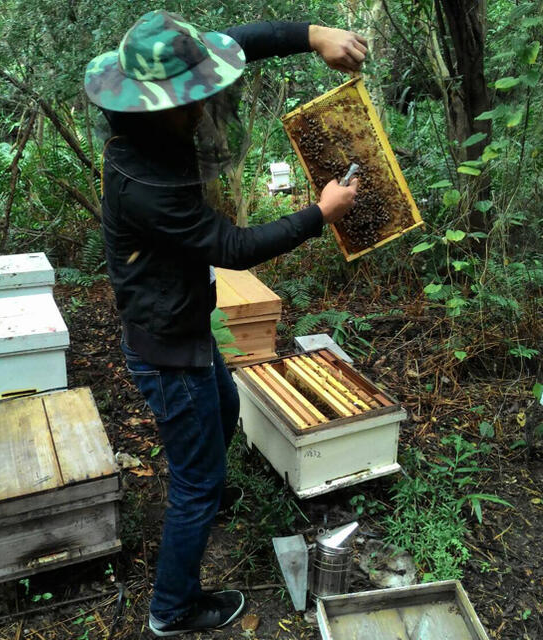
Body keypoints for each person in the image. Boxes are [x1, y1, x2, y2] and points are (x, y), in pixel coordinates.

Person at [84, 10, 366, 637]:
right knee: (194, 479)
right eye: (192, 106)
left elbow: (243, 40)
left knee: (227, 406)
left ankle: (208, 495)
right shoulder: (148, 185)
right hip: (166, 345)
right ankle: (172, 610)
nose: (203, 110)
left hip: (184, 324)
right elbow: (232, 248)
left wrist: (314, 36)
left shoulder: (158, 95)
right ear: (156, 111)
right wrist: (320, 212)